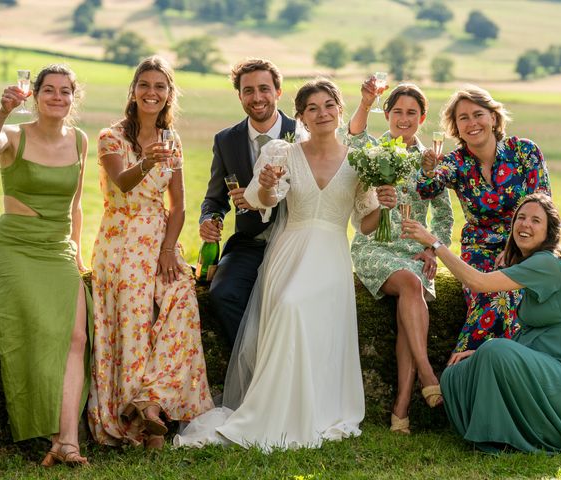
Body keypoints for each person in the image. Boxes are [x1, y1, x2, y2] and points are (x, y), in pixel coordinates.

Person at [175, 78, 396, 451]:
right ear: (301, 117)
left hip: (331, 255)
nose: (322, 113)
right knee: (292, 306)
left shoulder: (360, 161)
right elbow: (263, 201)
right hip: (291, 250)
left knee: (320, 329)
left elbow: (366, 223)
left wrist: (384, 206)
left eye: (329, 105)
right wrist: (263, 184)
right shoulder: (284, 152)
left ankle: (318, 408)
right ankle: (272, 407)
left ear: (340, 111)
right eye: (312, 108)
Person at [401, 193, 561, 453]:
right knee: (455, 373)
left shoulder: (548, 263)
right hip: (547, 374)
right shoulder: (533, 264)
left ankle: (496, 435)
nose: (525, 225)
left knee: (494, 349)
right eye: (520, 218)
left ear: (549, 231)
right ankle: (499, 430)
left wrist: (434, 243)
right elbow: (533, 338)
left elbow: (479, 283)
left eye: (535, 220)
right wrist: (477, 354)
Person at [87, 55, 213, 450]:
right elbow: (123, 184)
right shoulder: (111, 137)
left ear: (168, 94)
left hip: (157, 239)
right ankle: (138, 424)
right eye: (145, 84)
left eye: (160, 86)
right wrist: (145, 161)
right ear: (134, 90)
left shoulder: (172, 141)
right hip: (120, 240)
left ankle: (152, 401)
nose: (152, 92)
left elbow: (179, 206)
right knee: (133, 324)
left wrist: (169, 249)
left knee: (182, 302)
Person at [0, 65, 92, 466]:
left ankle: (68, 443)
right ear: (36, 95)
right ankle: (56, 438)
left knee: (76, 337)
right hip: (16, 247)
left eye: (65, 91)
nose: (57, 97)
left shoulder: (79, 140)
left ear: (73, 98)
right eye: (49, 90)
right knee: (42, 333)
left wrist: (76, 250)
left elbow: (76, 204)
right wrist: (3, 111)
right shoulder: (14, 134)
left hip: (57, 248)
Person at [343, 80, 454, 433]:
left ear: (421, 118)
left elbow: (445, 214)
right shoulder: (373, 150)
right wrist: (365, 101)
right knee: (410, 284)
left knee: (413, 292)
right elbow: (354, 137)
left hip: (413, 248)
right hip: (374, 246)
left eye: (411, 113)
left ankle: (401, 409)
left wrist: (433, 248)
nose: (403, 119)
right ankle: (426, 374)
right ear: (387, 114)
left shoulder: (429, 160)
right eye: (397, 111)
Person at [417, 85, 551, 363]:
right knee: (493, 296)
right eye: (462, 118)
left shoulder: (524, 151)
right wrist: (428, 169)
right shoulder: (456, 162)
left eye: (478, 114)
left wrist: (516, 249)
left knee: (515, 299)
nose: (471, 123)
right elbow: (428, 188)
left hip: (527, 247)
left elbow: (543, 205)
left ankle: (472, 365)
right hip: (479, 250)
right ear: (456, 127)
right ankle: (468, 368)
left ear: (493, 117)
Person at [199, 58, 296, 346]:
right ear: (239, 95)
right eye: (248, 90)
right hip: (250, 242)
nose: (257, 97)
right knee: (223, 293)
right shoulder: (226, 140)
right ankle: (253, 369)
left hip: (294, 240)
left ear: (278, 92)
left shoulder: (302, 132)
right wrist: (209, 220)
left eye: (264, 89)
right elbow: (215, 199)